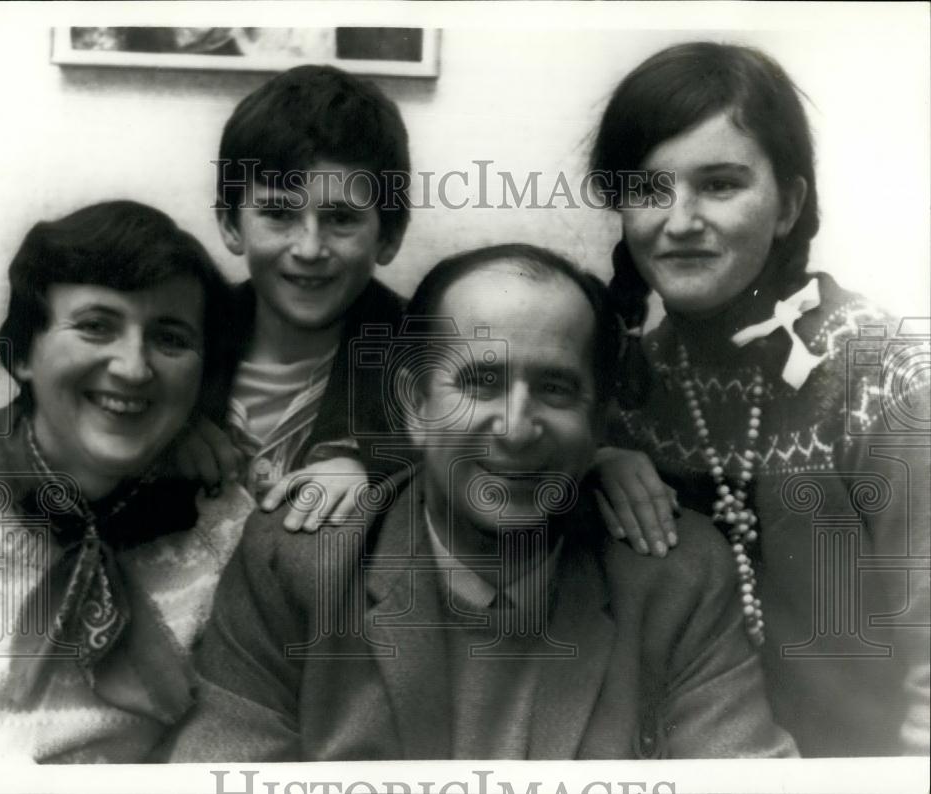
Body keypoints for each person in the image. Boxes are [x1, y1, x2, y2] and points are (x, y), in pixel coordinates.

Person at [167, 243, 797, 761]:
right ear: (415, 407)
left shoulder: (676, 576)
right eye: (479, 383)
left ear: (599, 422)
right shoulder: (299, 562)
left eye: (554, 388)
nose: (516, 429)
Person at [587, 42, 930, 756]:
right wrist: (595, 461)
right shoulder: (627, 387)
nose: (679, 220)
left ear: (789, 206)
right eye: (649, 189)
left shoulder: (884, 376)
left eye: (719, 184)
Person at [0, 200, 254, 763]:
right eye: (95, 326)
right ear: (24, 353)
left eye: (170, 339)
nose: (133, 367)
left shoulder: (229, 532)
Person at [173, 64, 412, 532]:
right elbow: (44, 426)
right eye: (278, 213)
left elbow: (493, 449)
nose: (308, 248)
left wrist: (382, 471)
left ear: (389, 236)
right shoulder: (176, 335)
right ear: (229, 224)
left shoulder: (426, 351)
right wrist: (157, 432)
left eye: (341, 218)